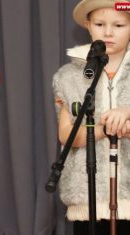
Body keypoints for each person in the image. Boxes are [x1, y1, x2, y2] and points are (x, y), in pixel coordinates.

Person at [52, 0, 130, 234]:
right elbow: (66, 135)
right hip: (88, 195)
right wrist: (102, 129)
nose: (108, 32)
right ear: (88, 25)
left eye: (119, 25)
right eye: (99, 24)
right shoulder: (68, 76)